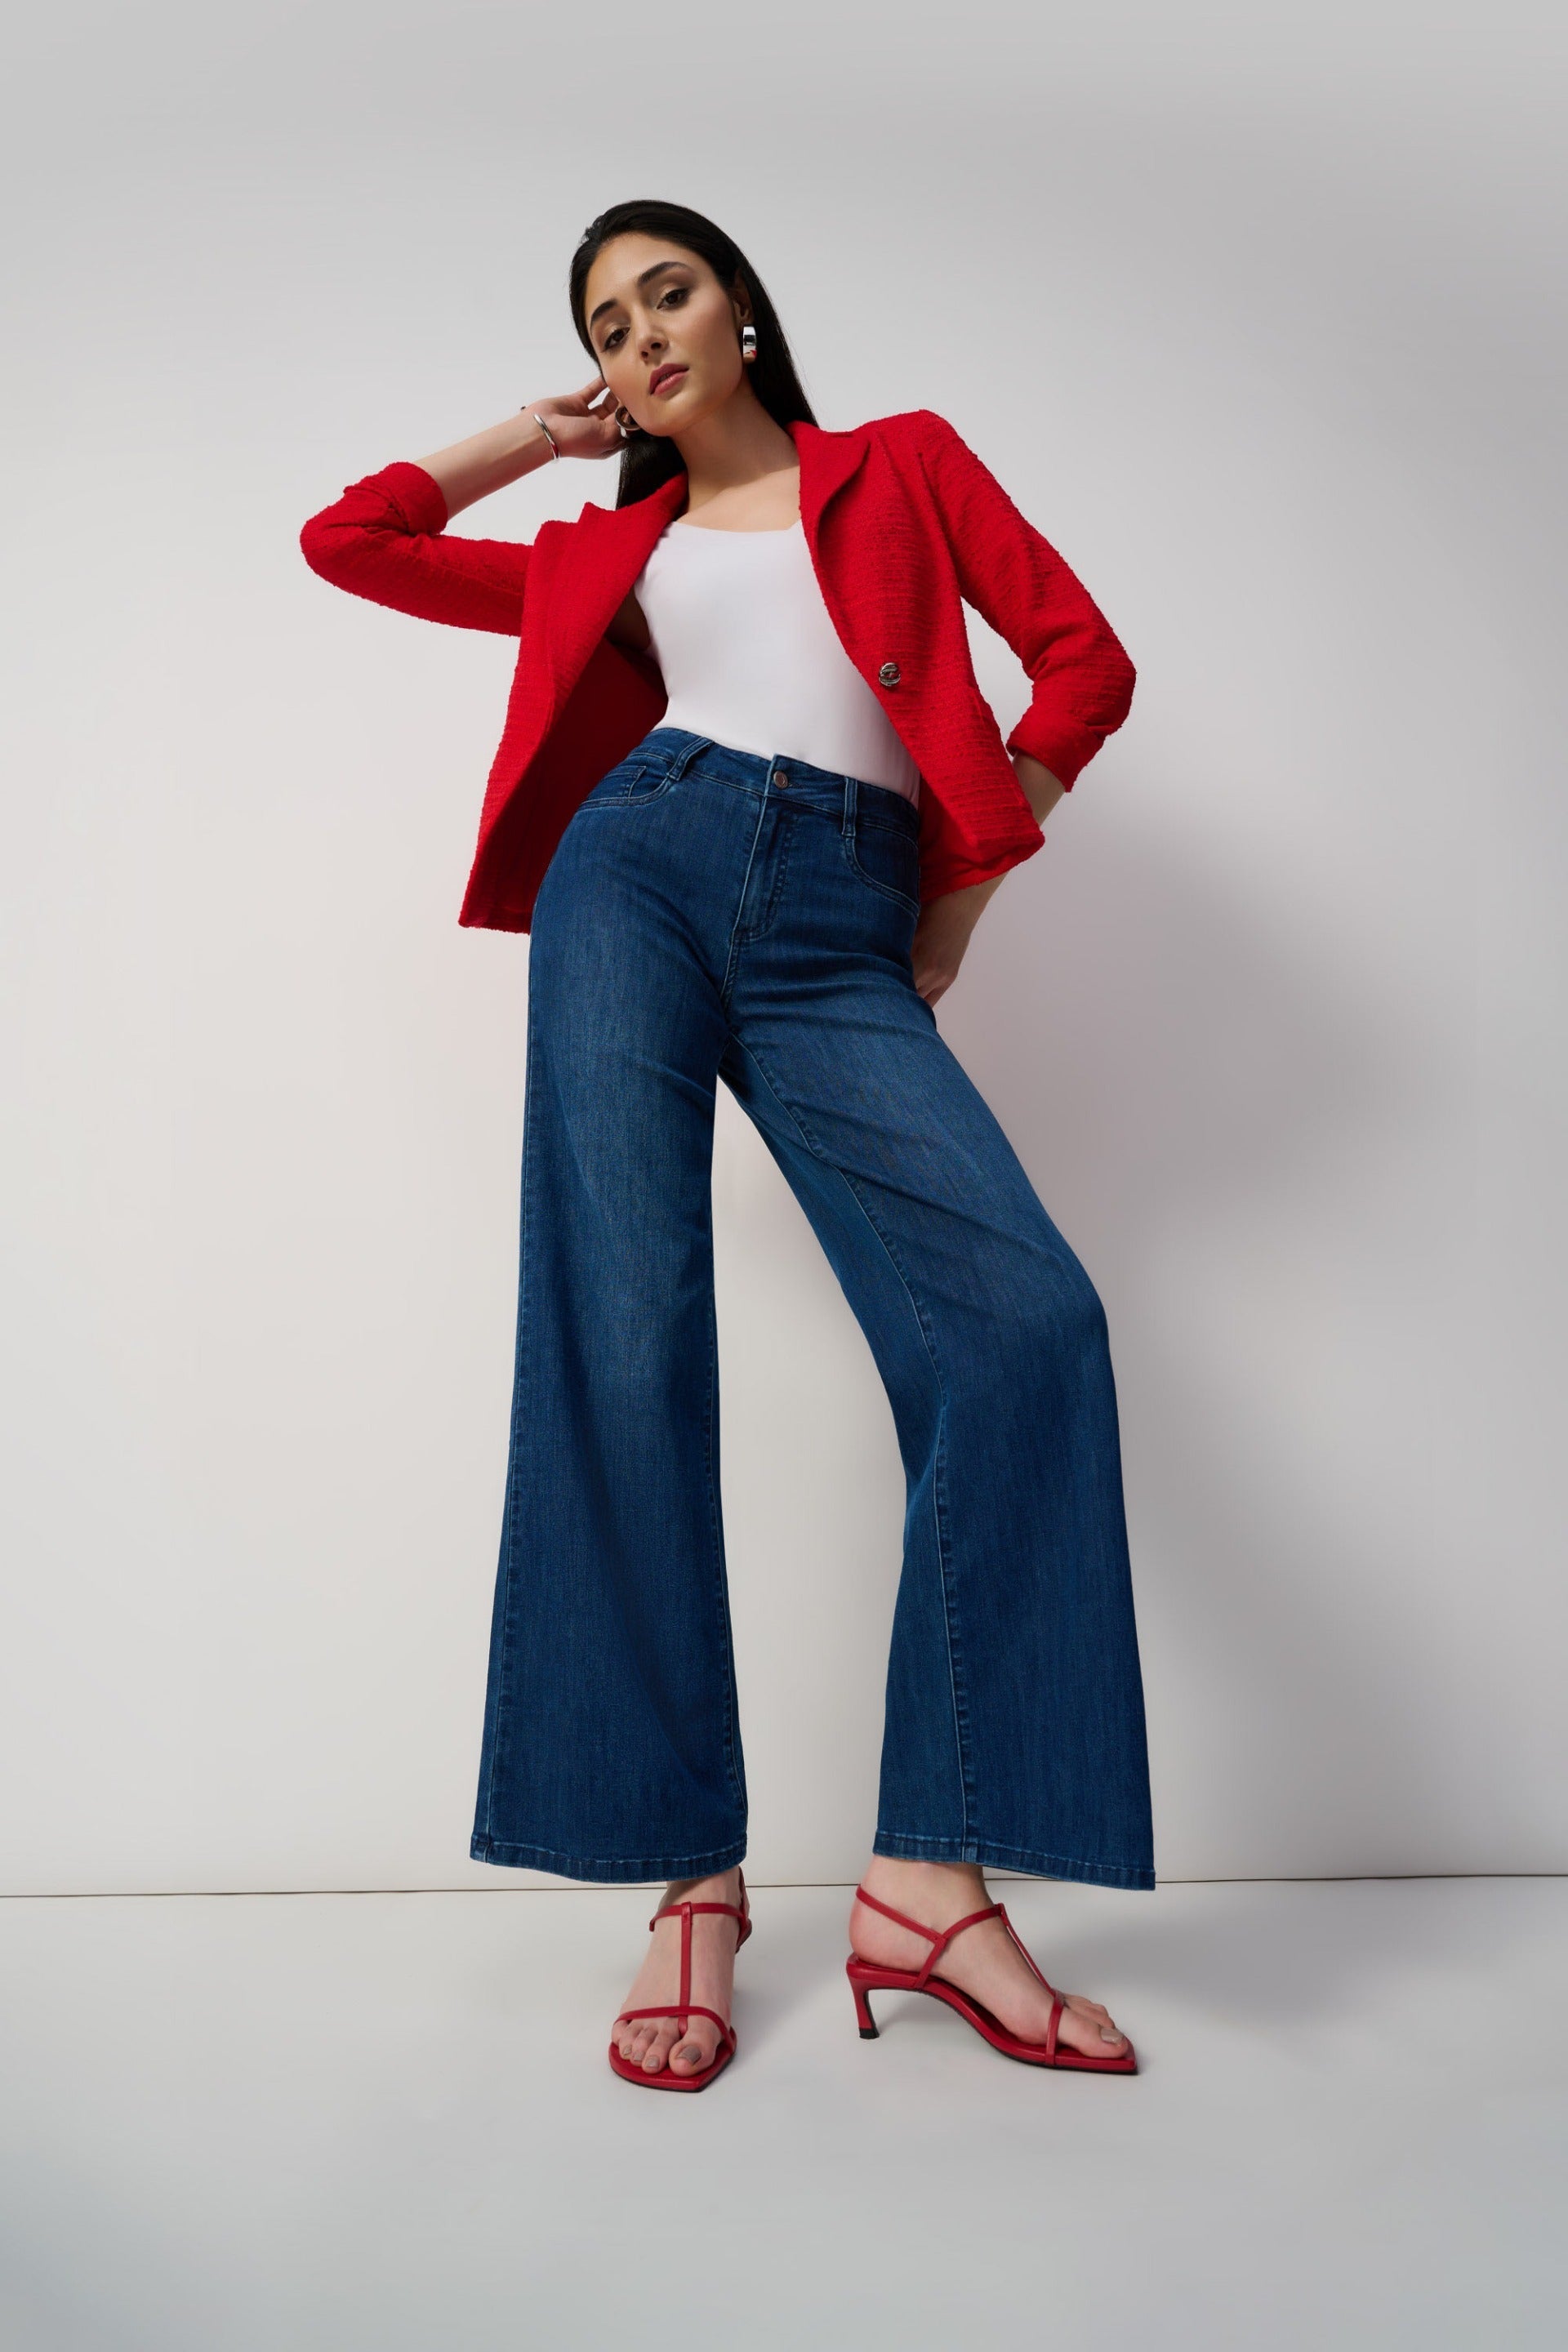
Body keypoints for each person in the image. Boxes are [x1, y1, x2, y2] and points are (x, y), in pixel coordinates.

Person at [300, 198, 1155, 2094]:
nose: (642, 337)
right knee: (623, 1339)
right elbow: (348, 541)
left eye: (666, 293)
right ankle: (686, 1879)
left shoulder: (902, 467)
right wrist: (536, 438)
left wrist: (962, 889)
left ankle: (929, 1881)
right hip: (637, 873)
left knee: (1028, 1327)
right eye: (607, 327)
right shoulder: (607, 551)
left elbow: (1081, 666)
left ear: (743, 308)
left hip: (846, 917)